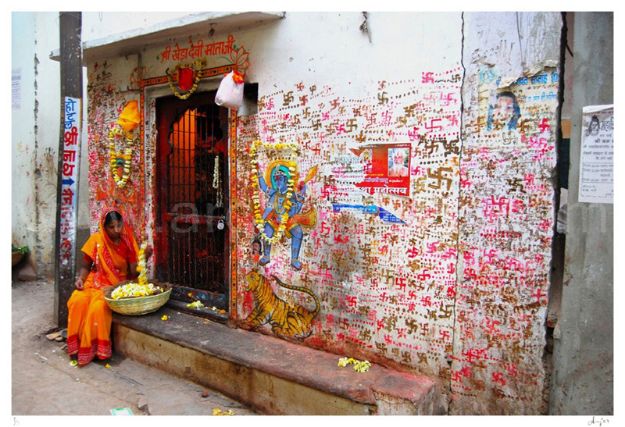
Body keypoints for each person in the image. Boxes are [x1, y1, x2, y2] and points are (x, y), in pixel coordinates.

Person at [66, 207, 152, 366]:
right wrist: (81, 279)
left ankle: (97, 351)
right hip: (94, 281)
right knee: (76, 300)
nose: (116, 230)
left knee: (97, 308)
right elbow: (86, 264)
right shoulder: (96, 240)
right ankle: (76, 348)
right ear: (104, 227)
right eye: (111, 227)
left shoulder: (127, 241)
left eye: (119, 225)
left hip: (116, 285)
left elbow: (134, 272)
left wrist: (144, 258)